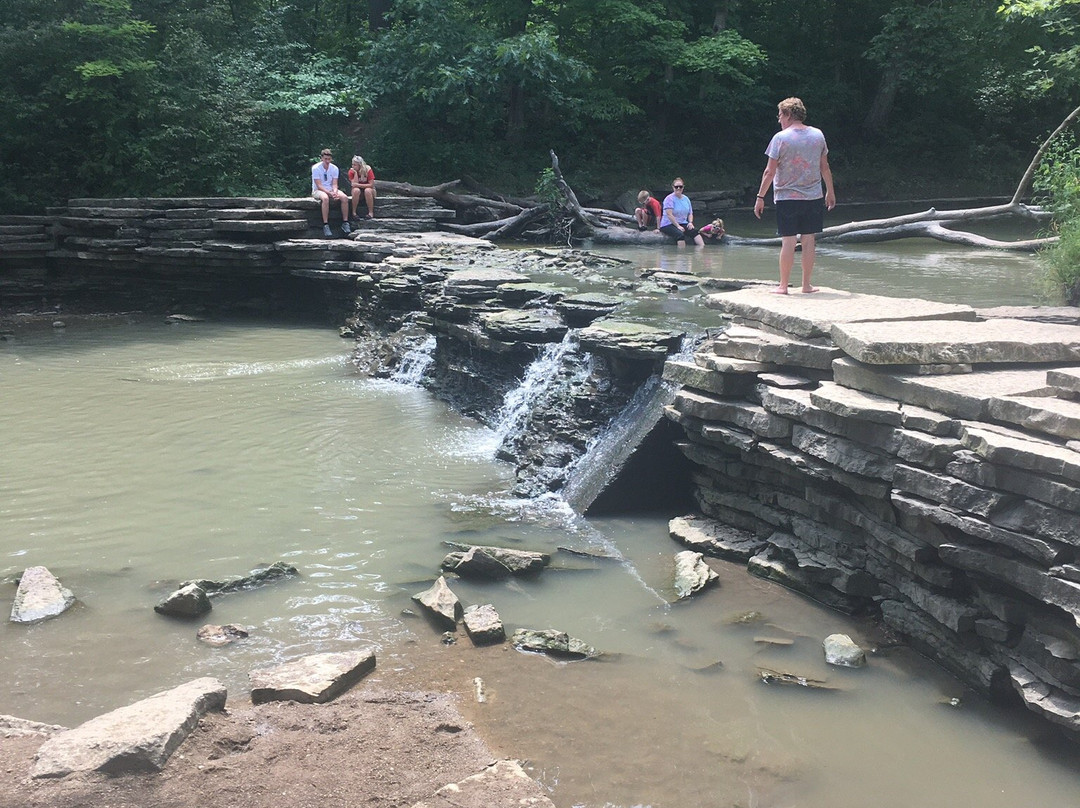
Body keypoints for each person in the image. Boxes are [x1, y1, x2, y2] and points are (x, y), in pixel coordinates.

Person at [753, 97, 836, 294]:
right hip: (813, 196)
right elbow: (825, 167)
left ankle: (783, 286)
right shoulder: (818, 135)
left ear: (789, 115)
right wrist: (830, 192)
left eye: (780, 115)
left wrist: (760, 197)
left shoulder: (780, 138)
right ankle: (806, 285)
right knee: (809, 240)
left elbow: (769, 172)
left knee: (788, 241)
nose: (779, 119)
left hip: (786, 198)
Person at [312, 149, 351, 237]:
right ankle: (325, 224)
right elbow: (319, 185)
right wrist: (329, 194)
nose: (327, 161)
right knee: (325, 198)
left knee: (344, 198)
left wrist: (335, 192)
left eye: (329, 159)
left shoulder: (334, 168)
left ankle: (345, 222)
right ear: (321, 158)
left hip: (331, 189)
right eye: (325, 159)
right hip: (318, 190)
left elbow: (334, 183)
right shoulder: (315, 168)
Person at [660, 178, 705, 246]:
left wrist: (690, 222)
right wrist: (678, 226)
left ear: (683, 187)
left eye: (680, 186)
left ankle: (702, 250)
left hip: (682, 222)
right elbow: (669, 214)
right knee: (680, 234)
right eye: (676, 187)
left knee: (695, 231)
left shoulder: (686, 199)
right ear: (673, 187)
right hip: (668, 224)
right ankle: (682, 255)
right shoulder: (669, 199)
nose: (678, 188)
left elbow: (690, 213)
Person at [348, 156, 377, 221]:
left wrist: (358, 185)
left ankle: (370, 212)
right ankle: (354, 212)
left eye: (355, 165)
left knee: (367, 191)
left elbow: (371, 185)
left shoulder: (368, 169)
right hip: (358, 192)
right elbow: (354, 185)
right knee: (356, 191)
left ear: (360, 165)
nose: (353, 166)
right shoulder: (351, 171)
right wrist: (355, 173)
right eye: (352, 164)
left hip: (369, 190)